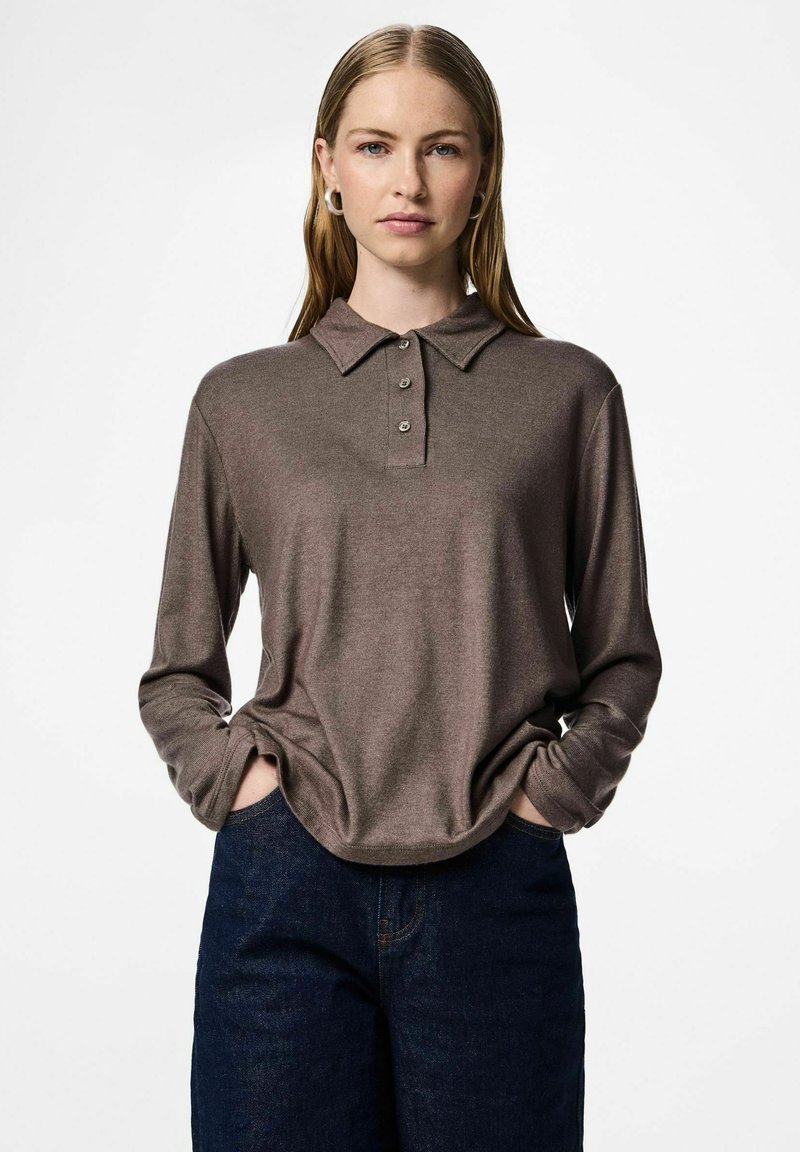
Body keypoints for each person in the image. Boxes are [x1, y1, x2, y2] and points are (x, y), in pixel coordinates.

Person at [137, 22, 662, 1152]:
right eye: (375, 146)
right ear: (327, 166)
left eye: (442, 147)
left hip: (496, 887)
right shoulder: (241, 401)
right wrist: (238, 784)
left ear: (484, 172)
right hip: (283, 887)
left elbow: (622, 656)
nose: (407, 181)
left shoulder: (569, 394)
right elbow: (177, 671)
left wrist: (548, 798)